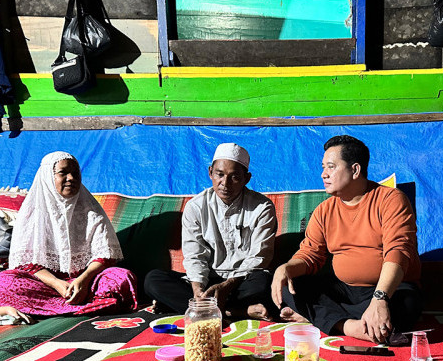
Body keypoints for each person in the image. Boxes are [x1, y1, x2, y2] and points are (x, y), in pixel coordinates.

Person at [271, 135, 422, 344]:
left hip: (390, 289)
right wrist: (286, 268)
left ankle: (328, 319)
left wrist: (380, 299)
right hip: (345, 290)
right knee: (290, 285)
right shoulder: (324, 210)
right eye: (323, 167)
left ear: (355, 170)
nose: (324, 174)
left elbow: (398, 251)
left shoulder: (391, 200)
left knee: (407, 305)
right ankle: (353, 326)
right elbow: (310, 254)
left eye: (331, 167)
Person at [0, 151, 138, 316]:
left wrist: (84, 280)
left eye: (75, 173)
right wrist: (56, 283)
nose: (71, 178)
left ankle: (53, 307)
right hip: (46, 284)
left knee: (122, 277)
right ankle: (87, 305)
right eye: (63, 173)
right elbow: (26, 263)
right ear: (48, 177)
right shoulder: (32, 214)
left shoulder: (92, 211)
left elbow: (105, 256)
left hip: (87, 283)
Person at [144, 143, 277, 320]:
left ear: (246, 178)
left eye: (234, 177)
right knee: (153, 280)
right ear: (210, 173)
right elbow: (195, 256)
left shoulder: (262, 208)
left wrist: (227, 286)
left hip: (241, 282)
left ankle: (197, 308)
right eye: (219, 175)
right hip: (208, 281)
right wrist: (198, 289)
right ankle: (235, 311)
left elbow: (260, 258)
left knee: (263, 283)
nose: (225, 183)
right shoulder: (196, 207)